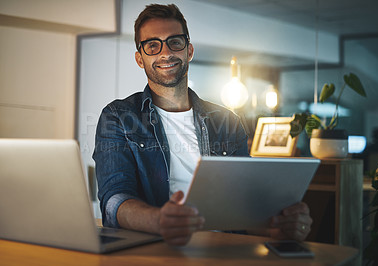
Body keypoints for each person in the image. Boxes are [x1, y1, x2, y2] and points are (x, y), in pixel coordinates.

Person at [93, 3, 312, 246]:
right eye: (152, 45)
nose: (165, 53)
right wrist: (159, 221)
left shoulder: (227, 121)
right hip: (156, 250)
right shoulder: (118, 117)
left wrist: (278, 228)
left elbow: (244, 205)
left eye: (174, 42)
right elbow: (114, 199)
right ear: (139, 58)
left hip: (225, 250)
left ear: (189, 50)